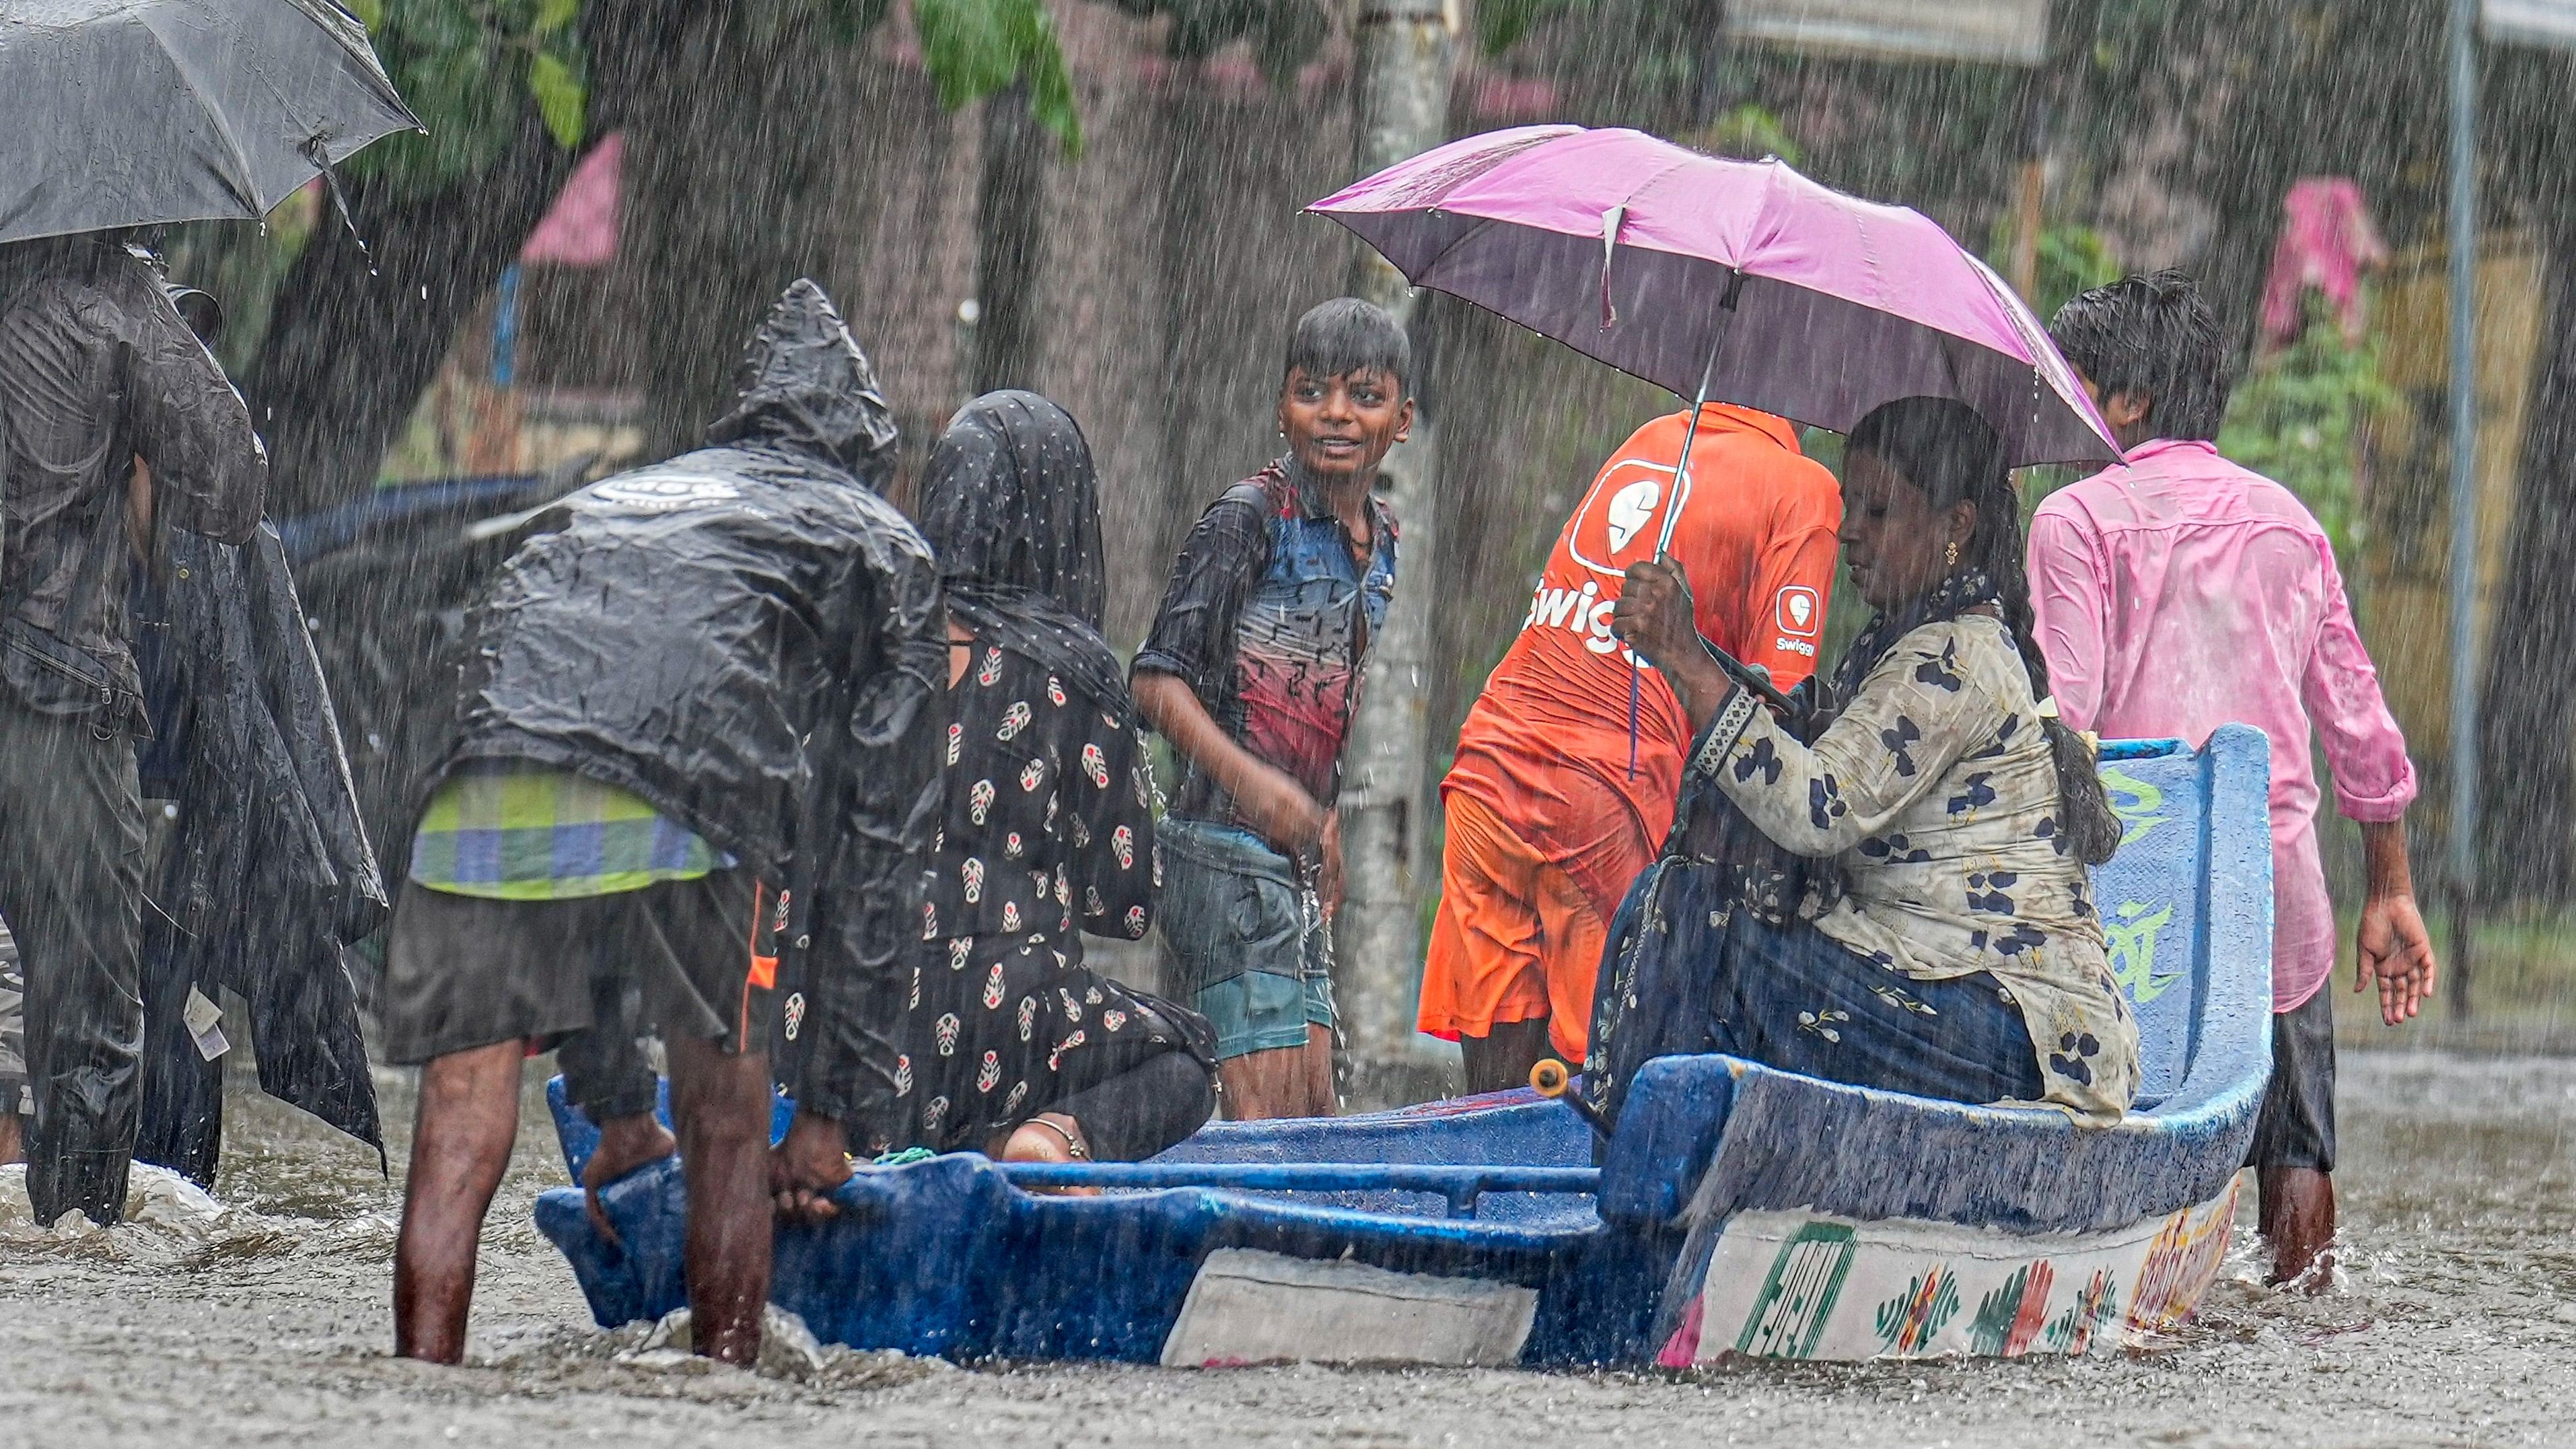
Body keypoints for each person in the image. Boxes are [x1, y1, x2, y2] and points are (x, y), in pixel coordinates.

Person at [384, 280, 943, 1366]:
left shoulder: (631, 497)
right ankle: (719, 1385)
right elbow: (883, 851)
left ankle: (419, 1390)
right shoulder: (880, 540)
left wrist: (613, 1111)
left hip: (481, 761)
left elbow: (586, 812)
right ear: (864, 453)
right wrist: (829, 1115)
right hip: (696, 781)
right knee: (728, 1112)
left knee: (460, 1100)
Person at [2032, 270, 2435, 1285]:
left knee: (2115, 1139)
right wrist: (2389, 887)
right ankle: (2298, 1325)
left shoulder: (2074, 522)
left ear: (2127, 401)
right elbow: (2359, 726)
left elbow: (2063, 715)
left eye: (2079, 382)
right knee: (2296, 1148)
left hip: (2131, 903)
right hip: (2271, 890)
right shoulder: (2287, 524)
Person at [1589, 396, 2138, 1129]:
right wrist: (1691, 654)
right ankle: (1661, 1153)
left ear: (1955, 527)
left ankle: (1642, 1165)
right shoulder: (1903, 644)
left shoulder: (1956, 657)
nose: (1849, 532)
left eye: (1878, 512)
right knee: (1671, 896)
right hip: (1937, 987)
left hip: (2020, 1034)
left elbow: (1817, 809)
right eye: (1851, 506)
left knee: (1699, 913)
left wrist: (1689, 660)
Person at [1423, 404, 1841, 1093]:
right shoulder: (1806, 490)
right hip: (1603, 795)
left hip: (1489, 765)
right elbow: (1777, 716)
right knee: (1615, 1091)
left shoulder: (1650, 439)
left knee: (1496, 1108)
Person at [0, 231, 266, 1226]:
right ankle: (75, 1248)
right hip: (59, 698)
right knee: (88, 1024)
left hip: (55, 689)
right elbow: (235, 486)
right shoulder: (105, 286)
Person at [895, 390, 1216, 1166]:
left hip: (857, 1043)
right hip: (1009, 1030)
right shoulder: (1072, 669)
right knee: (1188, 1059)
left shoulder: (864, 646)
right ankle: (1048, 1137)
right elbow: (1125, 904)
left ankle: (921, 1141)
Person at [1133, 298, 1410, 1121]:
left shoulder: (1382, 540)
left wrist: (1323, 824)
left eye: (1364, 395)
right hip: (1219, 848)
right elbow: (1154, 683)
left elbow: (1327, 701)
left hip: (1289, 858)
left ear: (1402, 419)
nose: (1335, 414)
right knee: (1270, 1129)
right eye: (1311, 391)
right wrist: (1256, 786)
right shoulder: (1250, 518)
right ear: (1280, 408)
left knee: (1319, 1113)